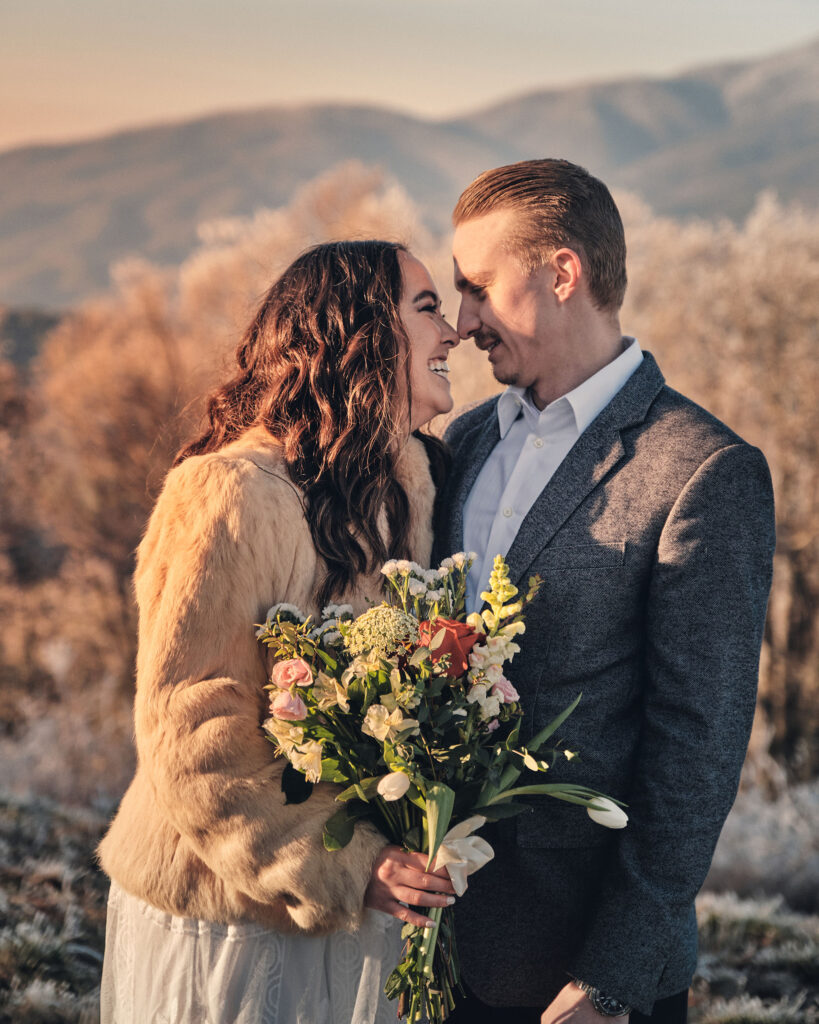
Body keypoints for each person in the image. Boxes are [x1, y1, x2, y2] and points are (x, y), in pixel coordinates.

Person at [436, 159, 776, 1024]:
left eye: (477, 288)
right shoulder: (461, 443)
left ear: (561, 273)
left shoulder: (702, 468)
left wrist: (610, 980)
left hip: (578, 975)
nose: (463, 320)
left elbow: (696, 745)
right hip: (431, 954)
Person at [97, 240, 460, 1024]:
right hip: (229, 921)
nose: (453, 333)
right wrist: (342, 865)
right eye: (427, 307)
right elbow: (191, 731)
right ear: (358, 332)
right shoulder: (228, 493)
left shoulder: (409, 488)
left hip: (359, 918)